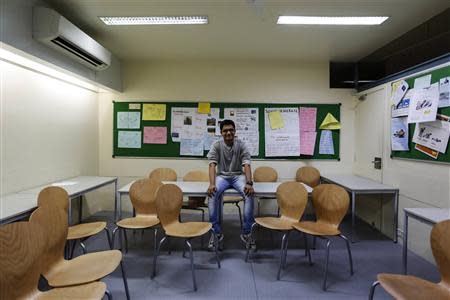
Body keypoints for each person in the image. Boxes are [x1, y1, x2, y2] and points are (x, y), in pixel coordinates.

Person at [207, 119, 255, 249]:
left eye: (231, 130)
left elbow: (247, 164)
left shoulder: (241, 145)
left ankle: (247, 233)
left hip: (237, 176)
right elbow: (212, 165)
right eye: (225, 130)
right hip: (222, 176)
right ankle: (216, 232)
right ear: (221, 133)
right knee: (212, 194)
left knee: (249, 194)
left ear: (234, 131)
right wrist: (212, 184)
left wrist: (249, 183)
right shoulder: (216, 145)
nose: (228, 132)